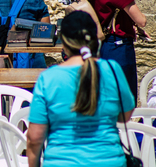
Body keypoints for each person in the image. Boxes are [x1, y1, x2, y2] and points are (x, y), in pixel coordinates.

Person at [27, 11, 134, 167]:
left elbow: (35, 138)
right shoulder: (112, 69)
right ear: (95, 40)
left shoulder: (48, 78)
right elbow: (124, 116)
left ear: (63, 42)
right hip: (109, 161)